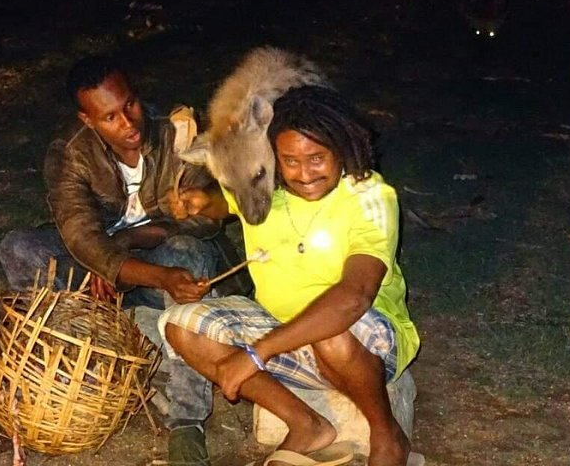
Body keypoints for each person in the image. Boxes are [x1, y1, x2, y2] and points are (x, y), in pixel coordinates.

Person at [0, 54, 248, 465]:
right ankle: (79, 350)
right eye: (110, 117)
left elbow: (206, 229)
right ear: (87, 119)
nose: (128, 124)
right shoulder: (71, 153)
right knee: (20, 248)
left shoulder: (175, 133)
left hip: (165, 259)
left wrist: (144, 242)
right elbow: (80, 235)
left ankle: (187, 422)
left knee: (189, 255)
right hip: (122, 269)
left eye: (129, 104)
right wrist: (115, 261)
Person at [164, 86, 421, 466]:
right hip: (284, 333)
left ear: (342, 149)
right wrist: (205, 203)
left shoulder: (369, 196)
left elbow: (354, 297)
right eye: (290, 161)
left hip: (364, 343)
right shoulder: (267, 189)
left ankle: (386, 434)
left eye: (317, 158)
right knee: (181, 326)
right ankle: (307, 423)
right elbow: (229, 201)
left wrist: (257, 353)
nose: (304, 174)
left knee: (332, 333)